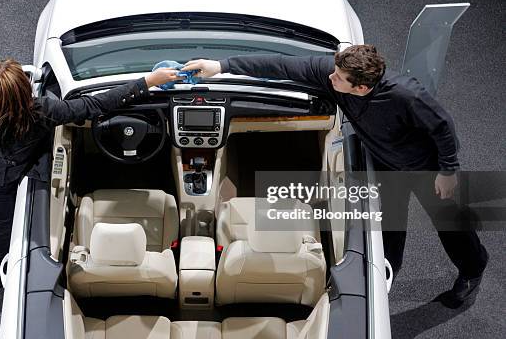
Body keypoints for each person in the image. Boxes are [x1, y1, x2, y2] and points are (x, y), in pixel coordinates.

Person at [181, 45, 489, 306]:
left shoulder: (406, 95)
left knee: (449, 223)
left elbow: (443, 127)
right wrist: (221, 65)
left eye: (338, 78)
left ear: (361, 87)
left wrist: (448, 171)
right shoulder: (335, 74)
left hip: (426, 168)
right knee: (389, 227)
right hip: (384, 164)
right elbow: (280, 65)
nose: (330, 78)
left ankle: (473, 269)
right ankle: (384, 277)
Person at [0, 59, 179, 288]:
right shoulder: (42, 113)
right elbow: (94, 105)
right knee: (1, 228)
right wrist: (148, 82)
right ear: (22, 92)